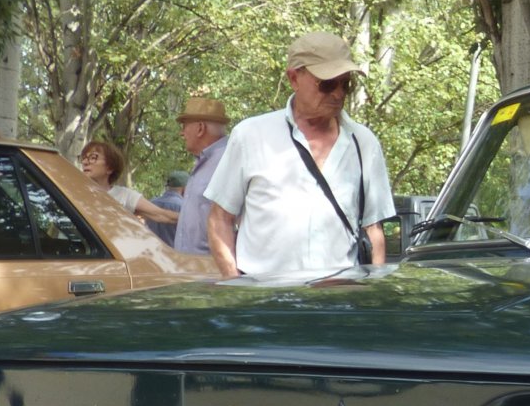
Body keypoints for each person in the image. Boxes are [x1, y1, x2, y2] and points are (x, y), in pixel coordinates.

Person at [204, 33, 395, 279]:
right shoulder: (251, 135)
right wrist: (236, 285)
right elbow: (220, 218)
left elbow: (374, 229)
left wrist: (373, 296)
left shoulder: (364, 143)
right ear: (294, 78)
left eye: (346, 84)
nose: (338, 93)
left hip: (339, 302)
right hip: (266, 301)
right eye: (327, 83)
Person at [173, 98, 230, 255]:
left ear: (200, 128)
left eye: (184, 126)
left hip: (213, 272)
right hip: (194, 269)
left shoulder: (229, 159)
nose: (181, 133)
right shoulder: (204, 162)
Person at [79, 141, 180, 230]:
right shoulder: (73, 192)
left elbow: (161, 215)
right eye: (83, 158)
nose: (85, 162)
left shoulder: (124, 195)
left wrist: (192, 220)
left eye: (93, 158)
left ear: (110, 168)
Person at [147, 169, 189, 245]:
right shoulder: (184, 207)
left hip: (151, 251)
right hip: (173, 254)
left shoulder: (151, 203)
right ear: (184, 188)